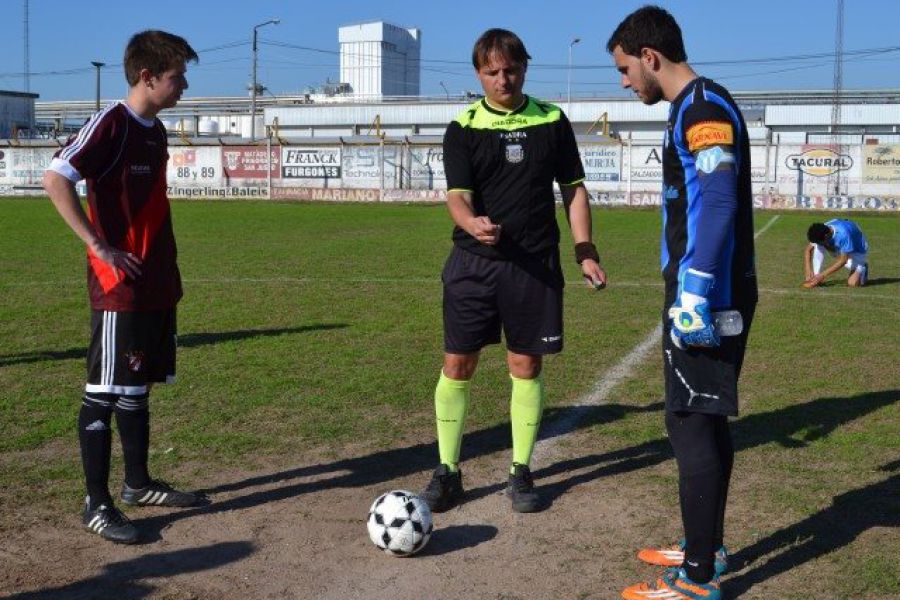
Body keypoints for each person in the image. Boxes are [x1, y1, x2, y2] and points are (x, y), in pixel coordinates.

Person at [421, 28, 607, 514]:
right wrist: (470, 222)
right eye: (492, 72)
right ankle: (448, 470)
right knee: (457, 365)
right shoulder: (463, 126)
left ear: (525, 66)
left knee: (524, 366)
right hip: (473, 264)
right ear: (478, 74)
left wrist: (585, 249)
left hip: (534, 265)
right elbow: (456, 197)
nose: (503, 79)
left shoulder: (552, 119)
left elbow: (574, 189)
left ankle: (520, 472)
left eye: (511, 69)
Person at [606, 6, 757, 599]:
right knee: (704, 418)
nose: (623, 81)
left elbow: (718, 201)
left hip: (708, 294)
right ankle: (705, 547)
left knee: (689, 421)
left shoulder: (702, 107)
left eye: (624, 68)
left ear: (650, 57)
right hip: (709, 288)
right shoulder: (691, 108)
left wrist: (693, 288)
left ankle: (696, 578)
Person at [43, 30, 201, 544]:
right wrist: (98, 245)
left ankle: (137, 484)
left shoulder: (155, 130)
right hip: (119, 286)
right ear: (146, 76)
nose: (184, 86)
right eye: (177, 76)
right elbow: (56, 177)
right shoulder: (112, 123)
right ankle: (97, 502)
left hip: (154, 282)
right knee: (104, 393)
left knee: (136, 387)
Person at [802, 219, 869, 288]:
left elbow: (843, 261)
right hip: (839, 244)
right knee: (818, 245)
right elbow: (808, 250)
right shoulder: (821, 230)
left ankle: (863, 267)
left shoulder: (843, 235)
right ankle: (816, 276)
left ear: (826, 236)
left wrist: (822, 275)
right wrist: (808, 270)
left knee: (852, 284)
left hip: (858, 249)